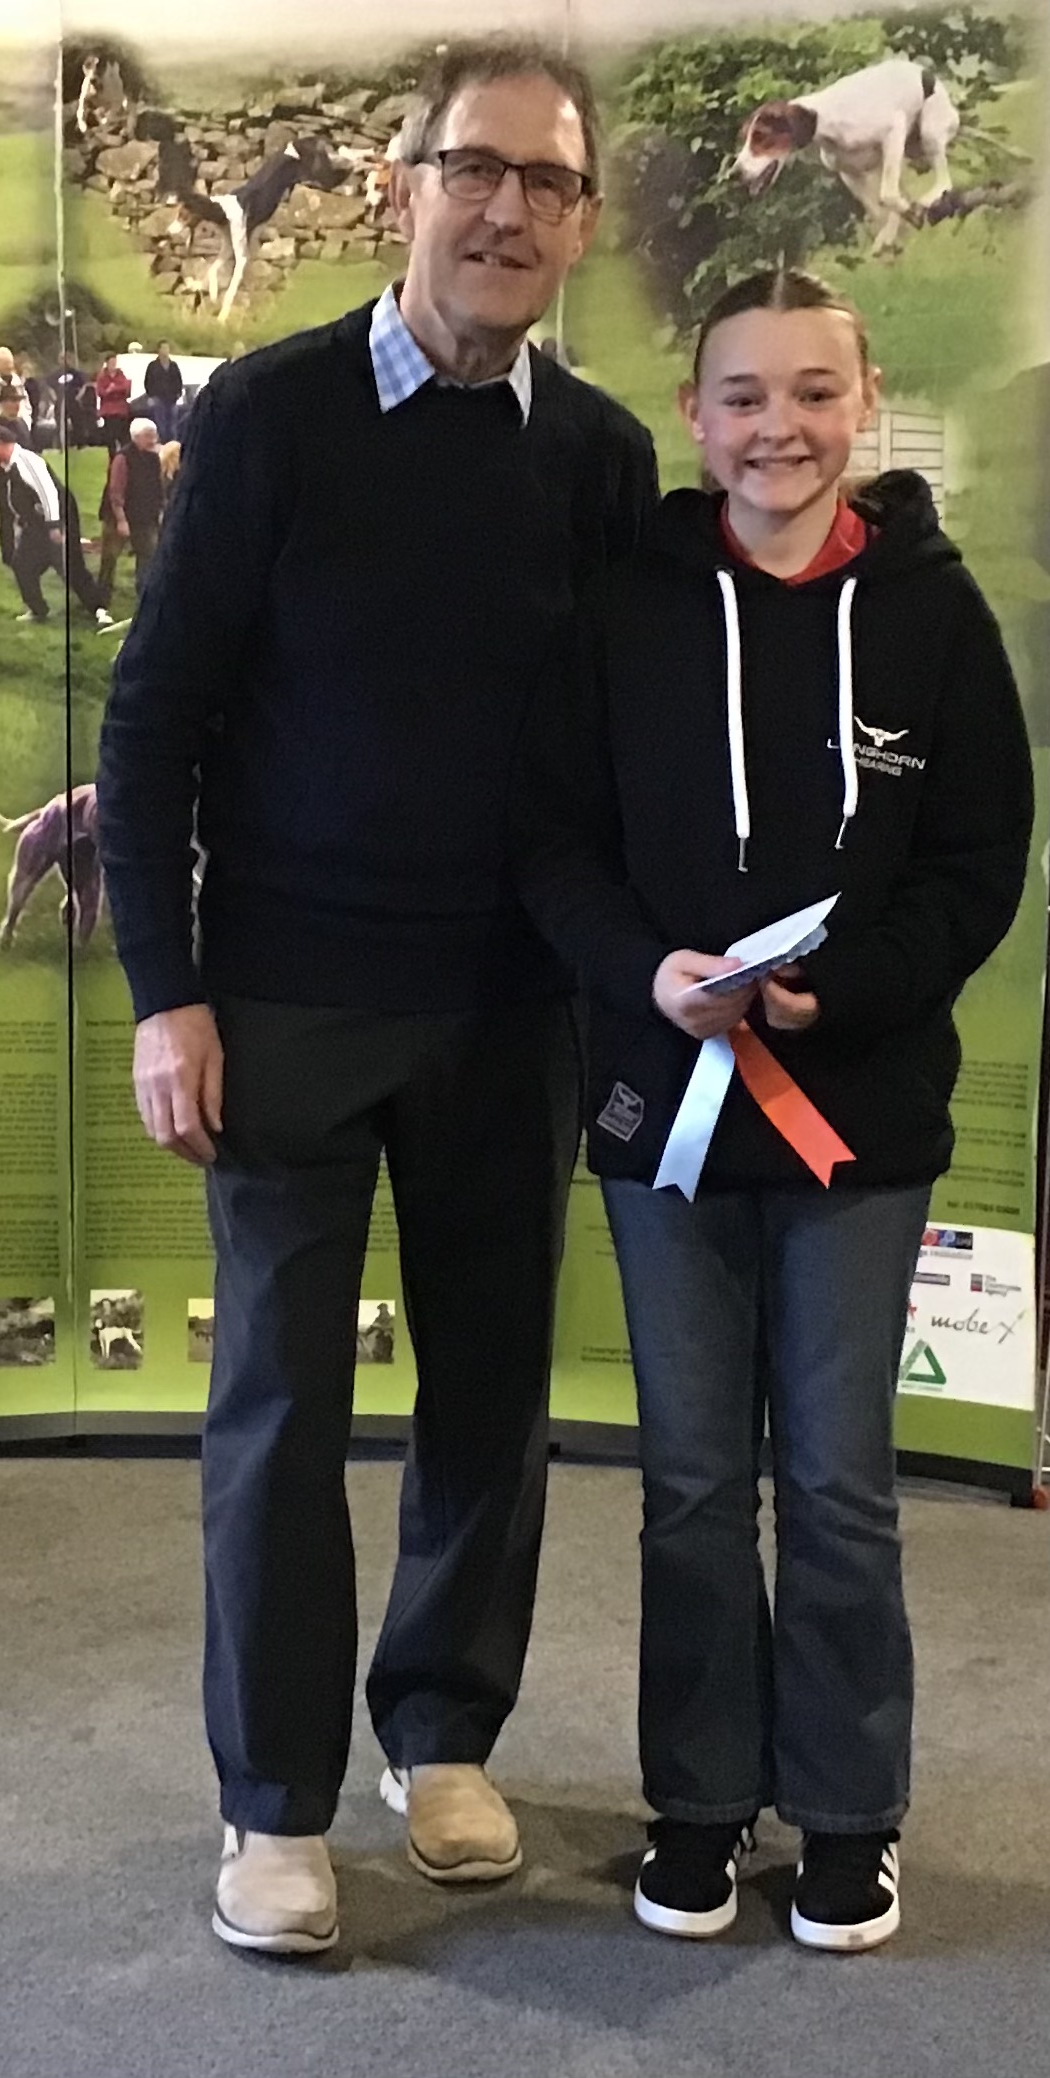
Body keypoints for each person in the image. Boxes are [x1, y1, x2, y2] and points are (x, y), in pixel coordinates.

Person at [97, 39, 657, 1957]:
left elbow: (611, 760)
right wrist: (166, 993)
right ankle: (270, 1800)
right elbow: (154, 717)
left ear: (577, 222)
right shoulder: (267, 415)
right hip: (286, 1001)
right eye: (471, 169)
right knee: (277, 1401)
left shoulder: (600, 460)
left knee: (489, 1391)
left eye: (542, 183)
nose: (503, 210)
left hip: (510, 1014)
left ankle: (439, 1734)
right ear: (400, 186)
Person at [515, 268, 1032, 1953]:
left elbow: (975, 860)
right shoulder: (623, 604)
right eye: (741, 395)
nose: (778, 428)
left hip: (854, 1121)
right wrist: (639, 971)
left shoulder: (932, 613)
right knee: (684, 1477)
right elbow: (550, 842)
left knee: (834, 1478)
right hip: (660, 1107)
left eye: (814, 392)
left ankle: (846, 1809)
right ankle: (697, 1798)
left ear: (863, 402)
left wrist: (856, 988)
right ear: (692, 415)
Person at [0, 420, 113, 627]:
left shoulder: (26, 461)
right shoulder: (8, 467)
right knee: (22, 565)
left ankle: (100, 610)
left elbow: (48, 492)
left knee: (71, 566)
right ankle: (38, 610)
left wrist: (54, 525)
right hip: (36, 523)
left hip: (59, 516)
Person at [98, 418, 165, 600]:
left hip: (146, 517)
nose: (153, 440)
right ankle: (101, 596)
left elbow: (159, 488)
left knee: (148, 556)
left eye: (154, 435)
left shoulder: (155, 458)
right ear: (136, 437)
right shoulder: (122, 458)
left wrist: (159, 512)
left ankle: (144, 594)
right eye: (148, 436)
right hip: (119, 515)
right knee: (110, 557)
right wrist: (121, 520)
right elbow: (116, 492)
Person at [143, 340, 185, 441]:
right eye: (163, 348)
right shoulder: (153, 366)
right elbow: (148, 381)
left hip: (172, 399)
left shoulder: (173, 365)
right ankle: (162, 444)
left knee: (172, 426)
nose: (166, 350)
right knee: (160, 424)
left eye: (167, 348)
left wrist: (178, 394)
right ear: (159, 350)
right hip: (158, 399)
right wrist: (152, 396)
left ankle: (172, 444)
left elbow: (179, 381)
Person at [94, 350, 133, 451]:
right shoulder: (102, 376)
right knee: (110, 436)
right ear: (107, 363)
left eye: (114, 362)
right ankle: (113, 456)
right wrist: (110, 390)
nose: (113, 365)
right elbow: (101, 392)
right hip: (108, 411)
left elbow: (125, 387)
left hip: (121, 410)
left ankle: (124, 455)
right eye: (111, 363)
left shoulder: (121, 374)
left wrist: (113, 389)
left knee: (124, 436)